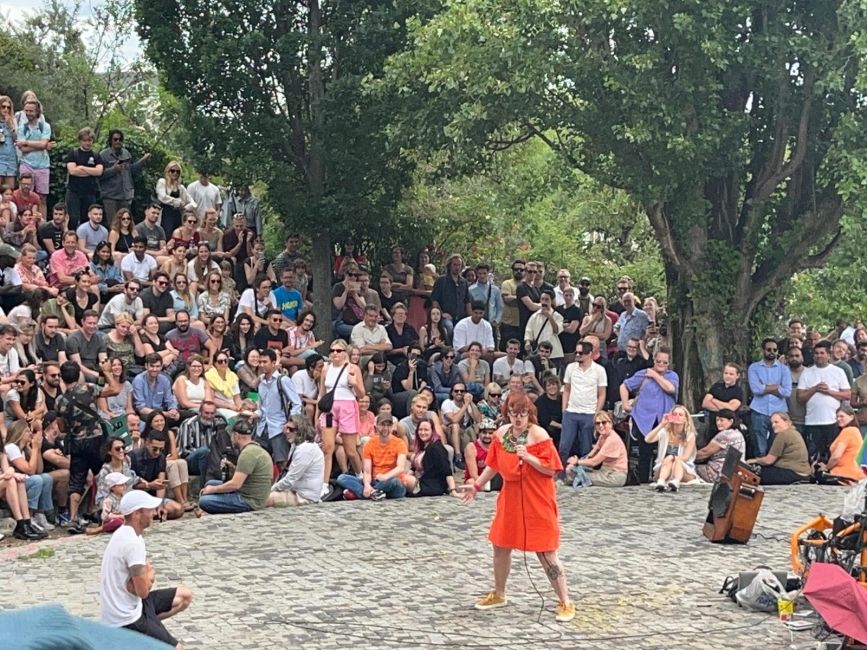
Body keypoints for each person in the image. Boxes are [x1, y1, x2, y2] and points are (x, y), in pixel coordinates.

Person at [461, 392, 575, 623]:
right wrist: (478, 485)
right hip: (511, 497)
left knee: (545, 551)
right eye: (513, 414)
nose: (518, 419)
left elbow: (552, 469)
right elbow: (493, 464)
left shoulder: (539, 435)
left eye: (522, 414)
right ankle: (499, 593)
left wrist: (530, 458)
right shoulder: (501, 434)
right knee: (500, 544)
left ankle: (565, 600)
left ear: (529, 414)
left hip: (537, 497)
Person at [99, 489, 193, 648]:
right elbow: (142, 591)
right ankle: (140, 635)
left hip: (136, 604)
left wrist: (144, 575)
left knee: (184, 597)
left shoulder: (130, 533)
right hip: (126, 619)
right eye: (150, 510)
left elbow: (135, 588)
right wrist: (149, 575)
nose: (155, 513)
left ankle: (149, 632)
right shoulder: (131, 543)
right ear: (136, 514)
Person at [56, 359, 120, 534]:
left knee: (76, 481)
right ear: (79, 375)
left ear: (62, 378)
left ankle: (73, 518)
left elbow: (61, 427)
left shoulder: (60, 400)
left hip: (76, 442)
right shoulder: (89, 389)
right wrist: (106, 372)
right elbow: (115, 389)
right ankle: (106, 512)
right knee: (103, 475)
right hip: (95, 439)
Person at [620, 348, 679, 483]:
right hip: (644, 418)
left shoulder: (672, 376)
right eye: (659, 361)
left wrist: (655, 375)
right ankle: (643, 481)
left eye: (665, 362)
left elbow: (670, 388)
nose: (661, 365)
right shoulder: (643, 374)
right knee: (644, 452)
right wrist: (625, 404)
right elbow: (624, 386)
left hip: (665, 420)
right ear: (654, 360)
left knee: (666, 451)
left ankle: (663, 478)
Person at [318, 339, 365, 495]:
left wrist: (354, 383)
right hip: (330, 408)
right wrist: (317, 418)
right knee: (328, 448)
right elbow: (321, 394)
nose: (335, 354)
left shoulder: (353, 368)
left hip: (347, 406)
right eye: (332, 351)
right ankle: (324, 484)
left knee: (350, 450)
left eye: (338, 351)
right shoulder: (326, 369)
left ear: (345, 353)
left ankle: (360, 475)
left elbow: (361, 394)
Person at [197, 418, 273, 514]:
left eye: (231, 435)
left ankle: (204, 510)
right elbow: (246, 476)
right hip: (250, 491)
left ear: (236, 436)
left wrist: (213, 489)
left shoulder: (248, 453)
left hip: (249, 501)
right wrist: (232, 467)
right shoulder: (255, 449)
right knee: (210, 483)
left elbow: (235, 485)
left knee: (205, 501)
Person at [797, 340, 851, 462]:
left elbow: (847, 395)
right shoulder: (807, 372)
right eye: (816, 353)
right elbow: (800, 398)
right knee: (812, 454)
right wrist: (815, 388)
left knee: (831, 452)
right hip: (812, 422)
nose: (819, 355)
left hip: (832, 421)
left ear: (828, 355)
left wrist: (829, 391)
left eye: (822, 353)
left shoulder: (838, 372)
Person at [335, 413, 408, 500]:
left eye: (388, 425)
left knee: (394, 481)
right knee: (342, 478)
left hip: (391, 480)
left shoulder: (399, 443)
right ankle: (374, 492)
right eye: (382, 425)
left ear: (392, 427)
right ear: (376, 426)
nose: (385, 428)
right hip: (374, 480)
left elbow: (400, 468)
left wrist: (385, 477)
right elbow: (367, 471)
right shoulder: (370, 444)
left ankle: (368, 493)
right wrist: (367, 485)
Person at [559, 340, 607, 468]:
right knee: (564, 445)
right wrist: (564, 410)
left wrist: (597, 413)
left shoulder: (599, 370)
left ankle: (585, 474)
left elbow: (602, 393)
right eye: (577, 352)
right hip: (571, 412)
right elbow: (567, 389)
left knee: (586, 447)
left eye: (581, 353)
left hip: (589, 413)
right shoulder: (571, 368)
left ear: (590, 354)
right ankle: (560, 473)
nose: (578, 355)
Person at [254, 348, 302, 469]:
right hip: (262, 427)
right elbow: (262, 406)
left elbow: (296, 403)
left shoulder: (283, 380)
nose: (262, 365)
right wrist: (255, 414)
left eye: (265, 362)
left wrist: (290, 423)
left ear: (273, 362)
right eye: (260, 362)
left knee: (282, 461)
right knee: (259, 462)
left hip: (279, 427)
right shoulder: (261, 383)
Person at [747, 338, 792, 457]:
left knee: (778, 445)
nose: (772, 352)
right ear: (763, 350)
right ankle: (760, 470)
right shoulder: (754, 367)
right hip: (759, 411)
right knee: (759, 446)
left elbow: (787, 392)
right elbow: (756, 390)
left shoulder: (784, 369)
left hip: (779, 411)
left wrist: (765, 388)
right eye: (769, 349)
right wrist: (777, 387)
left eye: (775, 350)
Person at [267, 415, 324, 506]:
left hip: (304, 496)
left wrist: (271, 489)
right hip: (296, 491)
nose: (286, 432)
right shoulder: (297, 446)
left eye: (291, 429)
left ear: (300, 431)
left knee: (264, 499)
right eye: (286, 428)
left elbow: (290, 479)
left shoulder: (305, 449)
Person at [564, 411, 627, 487]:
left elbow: (594, 462)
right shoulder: (602, 436)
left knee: (576, 476)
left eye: (604, 423)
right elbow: (591, 455)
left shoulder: (612, 439)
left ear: (610, 423)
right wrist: (576, 465)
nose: (600, 425)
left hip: (614, 475)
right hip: (604, 472)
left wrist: (577, 462)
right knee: (574, 471)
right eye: (597, 423)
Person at [746, 412, 811, 485]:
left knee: (754, 474)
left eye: (776, 422)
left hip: (793, 472)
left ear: (786, 422)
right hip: (803, 472)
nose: (773, 425)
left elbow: (769, 460)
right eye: (772, 423)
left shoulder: (783, 435)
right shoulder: (794, 432)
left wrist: (754, 460)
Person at [645, 405, 697, 492]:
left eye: (680, 415)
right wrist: (662, 424)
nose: (677, 416)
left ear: (685, 419)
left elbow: (686, 457)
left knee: (677, 461)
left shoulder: (690, 435)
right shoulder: (665, 432)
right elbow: (647, 439)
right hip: (664, 467)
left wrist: (672, 457)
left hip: (683, 468)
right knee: (668, 460)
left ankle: (676, 481)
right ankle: (661, 481)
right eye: (675, 414)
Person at [407, 419, 458, 497]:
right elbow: (414, 468)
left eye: (426, 430)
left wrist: (453, 490)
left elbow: (447, 470)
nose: (423, 432)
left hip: (431, 486)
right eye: (420, 430)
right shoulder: (422, 446)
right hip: (421, 481)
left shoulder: (437, 448)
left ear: (432, 431)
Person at [813, 406, 863, 483]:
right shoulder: (855, 431)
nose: (838, 419)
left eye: (842, 416)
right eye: (837, 417)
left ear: (851, 417)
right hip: (854, 473)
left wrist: (826, 467)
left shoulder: (848, 431)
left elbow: (836, 456)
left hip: (844, 474)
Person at [694, 409, 746, 483]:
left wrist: (686, 456)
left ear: (731, 421)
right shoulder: (738, 433)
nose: (718, 423)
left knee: (690, 469)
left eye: (721, 420)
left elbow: (705, 453)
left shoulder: (725, 435)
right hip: (735, 473)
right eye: (717, 420)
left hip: (719, 473)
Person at [701, 363, 744, 437]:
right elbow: (705, 403)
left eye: (731, 374)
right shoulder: (716, 386)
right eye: (726, 373)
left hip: (730, 430)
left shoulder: (738, 391)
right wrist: (725, 407)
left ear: (737, 376)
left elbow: (731, 408)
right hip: (713, 427)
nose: (728, 376)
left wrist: (714, 400)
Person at [157, 160, 196, 239]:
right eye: (172, 171)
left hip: (178, 214)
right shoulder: (162, 182)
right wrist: (178, 202)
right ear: (168, 171)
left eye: (177, 172)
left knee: (177, 235)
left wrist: (186, 207)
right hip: (166, 213)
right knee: (166, 234)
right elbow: (162, 197)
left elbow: (192, 202)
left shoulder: (180, 187)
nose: (175, 173)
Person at [86, 471, 128, 535]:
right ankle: (99, 529)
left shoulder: (124, 497)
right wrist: (119, 516)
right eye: (121, 485)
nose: (124, 487)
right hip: (112, 520)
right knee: (118, 522)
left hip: (124, 518)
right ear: (113, 487)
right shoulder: (108, 500)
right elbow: (105, 516)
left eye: (125, 484)